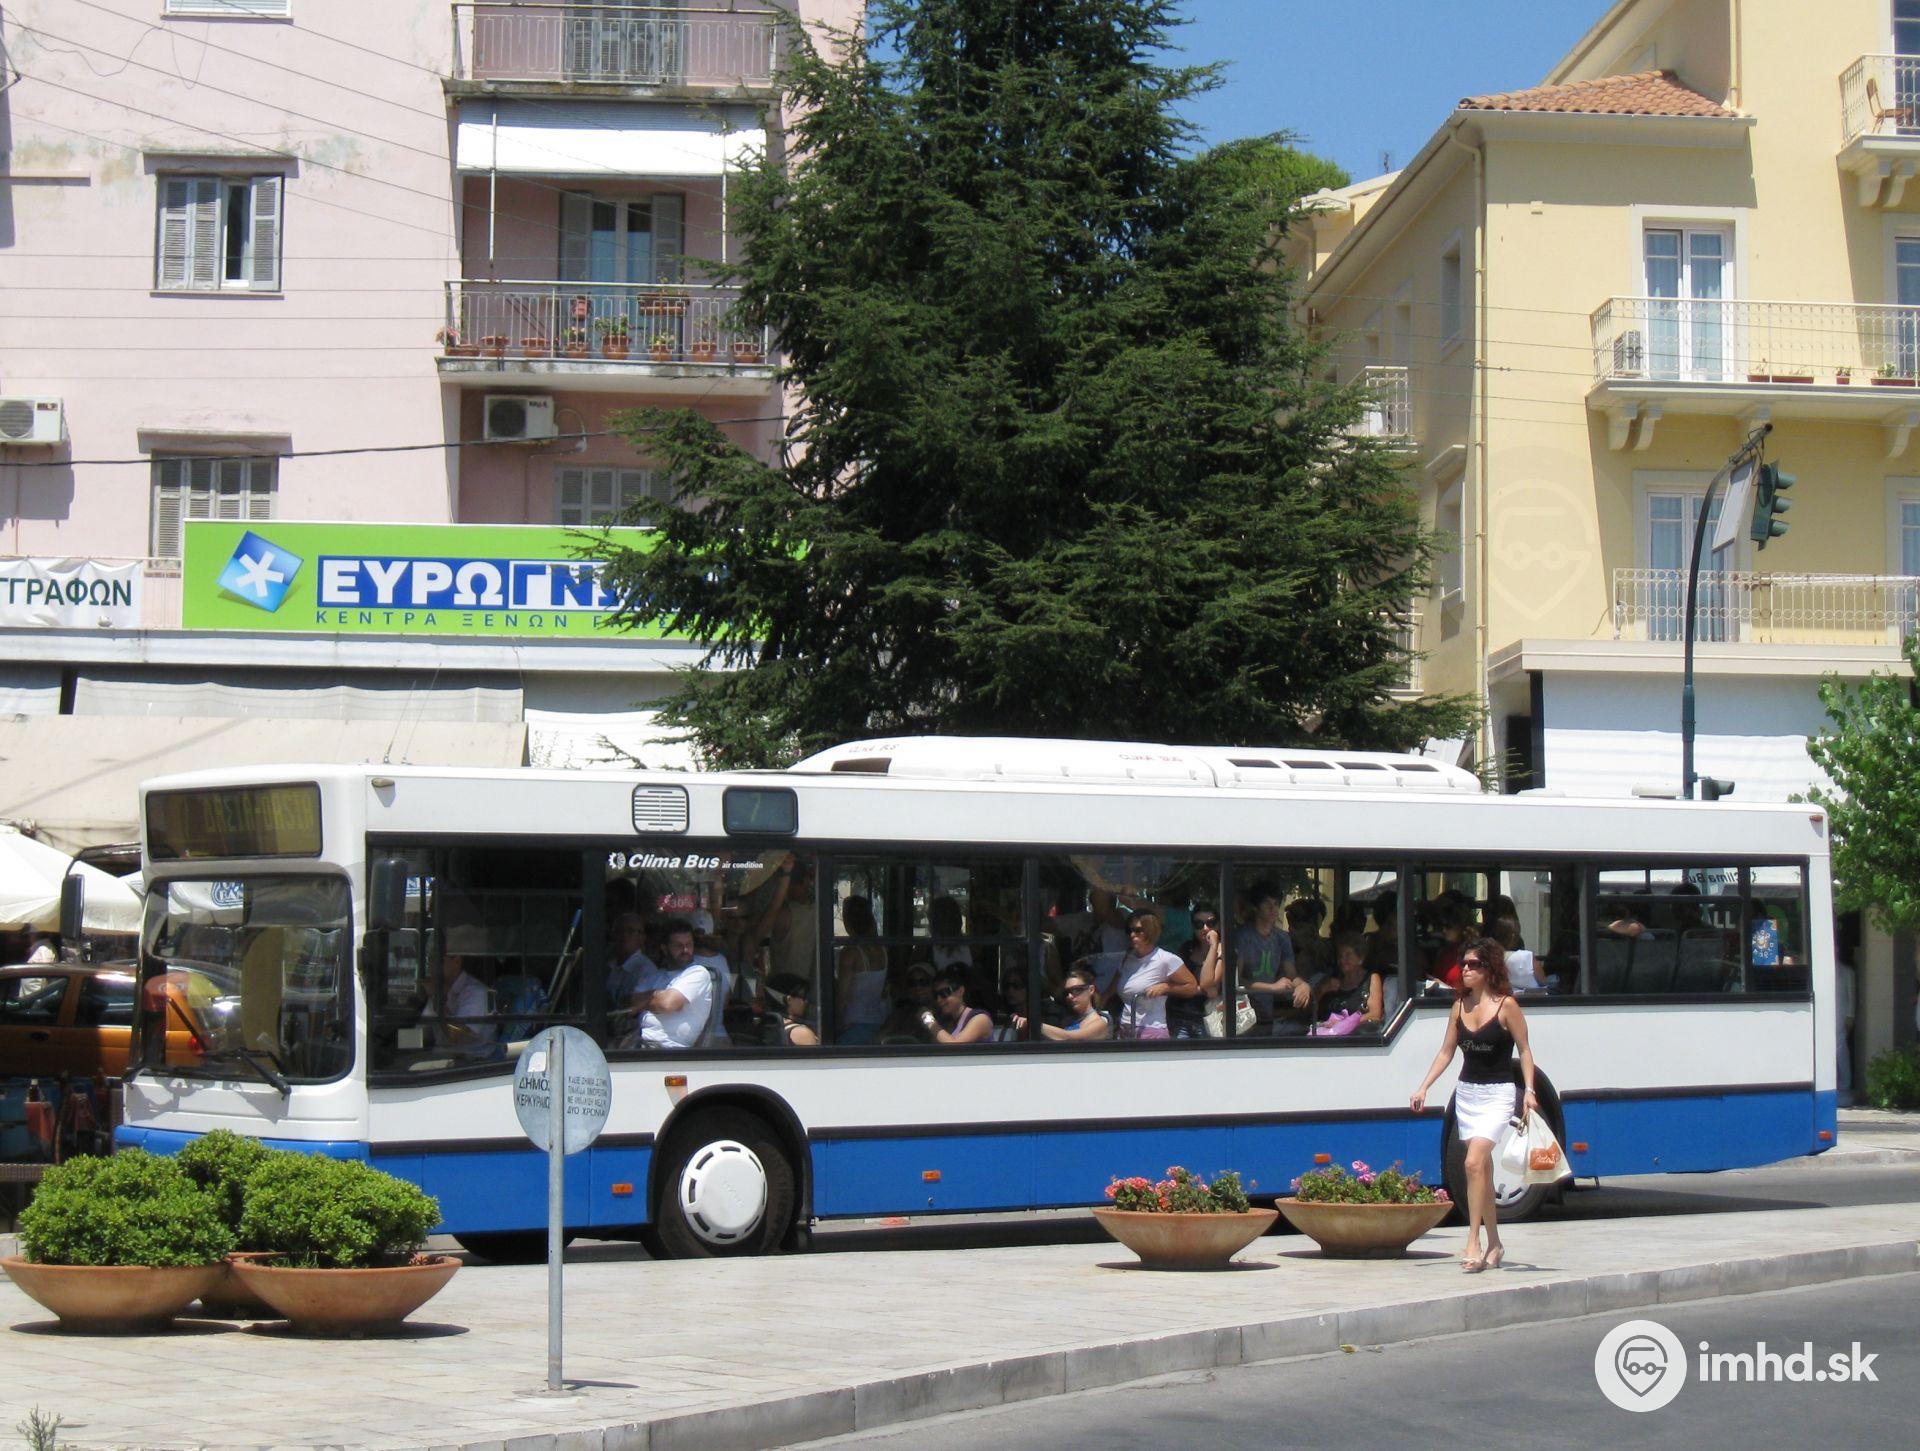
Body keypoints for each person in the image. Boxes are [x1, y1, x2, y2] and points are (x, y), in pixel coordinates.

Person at [1409, 938, 1538, 1273]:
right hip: (1468, 1094)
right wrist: (1424, 1086)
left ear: (1488, 968)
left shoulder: (1507, 1006)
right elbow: (1446, 1052)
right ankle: (1495, 1243)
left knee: (1472, 1162)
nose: (1465, 970)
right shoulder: (1459, 1006)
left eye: (1473, 964)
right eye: (1463, 964)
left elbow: (1525, 1050)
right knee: (1482, 1169)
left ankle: (1473, 1241)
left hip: (1498, 1094)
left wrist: (1529, 1091)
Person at [628, 918, 714, 1049]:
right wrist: (656, 996)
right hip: (639, 1044)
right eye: (678, 946)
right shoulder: (655, 976)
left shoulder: (698, 973)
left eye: (689, 945)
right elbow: (631, 1001)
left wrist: (647, 1000)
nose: (685, 950)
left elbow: (667, 1004)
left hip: (670, 1051)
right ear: (665, 948)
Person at [1234, 888, 1310, 1034]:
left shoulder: (1282, 938)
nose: (1273, 908)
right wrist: (1272, 987)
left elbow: (1291, 975)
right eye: (1267, 903)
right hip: (1243, 1016)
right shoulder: (1242, 936)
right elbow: (1237, 980)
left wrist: (1303, 985)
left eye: (1276, 904)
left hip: (1268, 1016)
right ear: (1256, 907)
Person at [1114, 910, 1196, 1041]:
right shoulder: (1127, 959)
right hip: (1125, 1029)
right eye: (1129, 931)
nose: (1132, 935)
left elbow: (1192, 987)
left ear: (1150, 931)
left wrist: (1166, 988)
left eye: (1138, 930)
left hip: (1151, 1031)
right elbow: (1114, 985)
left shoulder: (1166, 959)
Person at [423, 923, 496, 1056]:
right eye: (430, 960)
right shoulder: (442, 988)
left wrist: (436, 999)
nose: (431, 966)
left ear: (456, 960)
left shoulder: (477, 993)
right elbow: (425, 1032)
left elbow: (455, 1034)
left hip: (470, 1060)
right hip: (440, 1056)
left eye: (436, 960)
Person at [835, 895, 889, 1045]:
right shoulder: (882, 949)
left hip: (853, 1026)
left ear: (849, 920)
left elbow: (842, 997)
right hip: (878, 1022)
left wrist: (837, 1025)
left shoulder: (850, 953)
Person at [1014, 966, 1111, 1042]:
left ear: (1091, 990)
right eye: (1067, 992)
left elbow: (1068, 1038)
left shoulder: (1099, 1023)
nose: (1070, 996)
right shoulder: (1067, 1020)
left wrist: (1034, 1024)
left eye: (1076, 990)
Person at [1168, 910, 1222, 1040]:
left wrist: (1214, 946)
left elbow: (1206, 983)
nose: (1205, 928)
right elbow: (1174, 982)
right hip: (1180, 1017)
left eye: (1211, 923)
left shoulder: (1224, 950)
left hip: (1209, 1019)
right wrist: (1199, 990)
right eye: (1199, 924)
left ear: (1218, 925)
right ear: (1193, 927)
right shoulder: (1186, 949)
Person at [1314, 936, 1384, 1029]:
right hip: (1327, 1034)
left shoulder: (1371, 979)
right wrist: (1321, 991)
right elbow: (1310, 1013)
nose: (1342, 960)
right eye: (1340, 956)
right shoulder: (1331, 979)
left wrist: (1344, 1024)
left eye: (1348, 955)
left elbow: (1375, 1015)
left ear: (1360, 958)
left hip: (1357, 1036)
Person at [920, 971, 992, 1044]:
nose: (939, 1000)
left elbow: (955, 1046)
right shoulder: (944, 1022)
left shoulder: (981, 1019)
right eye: (936, 995)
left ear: (960, 991)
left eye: (943, 993)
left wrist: (928, 1019)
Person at [764, 972, 819, 1047]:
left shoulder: (769, 1025)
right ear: (789, 1000)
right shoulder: (802, 1033)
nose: (806, 1001)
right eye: (803, 997)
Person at [1489, 917, 1541, 993]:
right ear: (1513, 936)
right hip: (1532, 998)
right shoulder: (1527, 957)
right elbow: (1543, 981)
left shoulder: (1489, 957)